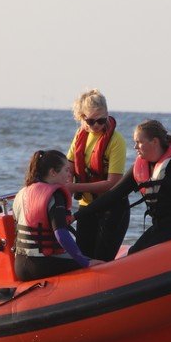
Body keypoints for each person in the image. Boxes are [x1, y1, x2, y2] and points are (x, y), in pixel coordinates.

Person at [77, 119, 171, 254]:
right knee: (133, 255)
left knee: (137, 255)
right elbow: (112, 195)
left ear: (154, 142)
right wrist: (76, 216)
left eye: (139, 142)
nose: (135, 147)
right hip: (162, 226)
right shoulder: (139, 168)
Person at [12, 150, 97, 281]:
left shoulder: (22, 192)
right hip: (42, 265)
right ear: (53, 172)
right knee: (99, 265)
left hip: (20, 265)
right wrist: (86, 262)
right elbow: (61, 234)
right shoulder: (55, 196)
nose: (70, 175)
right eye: (66, 170)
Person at [65, 89, 130, 261]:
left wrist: (73, 187)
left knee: (102, 259)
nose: (97, 126)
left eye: (101, 120)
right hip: (86, 207)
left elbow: (112, 184)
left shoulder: (117, 141)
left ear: (107, 115)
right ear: (81, 117)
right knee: (83, 258)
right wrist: (64, 194)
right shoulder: (80, 135)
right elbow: (68, 168)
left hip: (112, 209)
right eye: (91, 121)